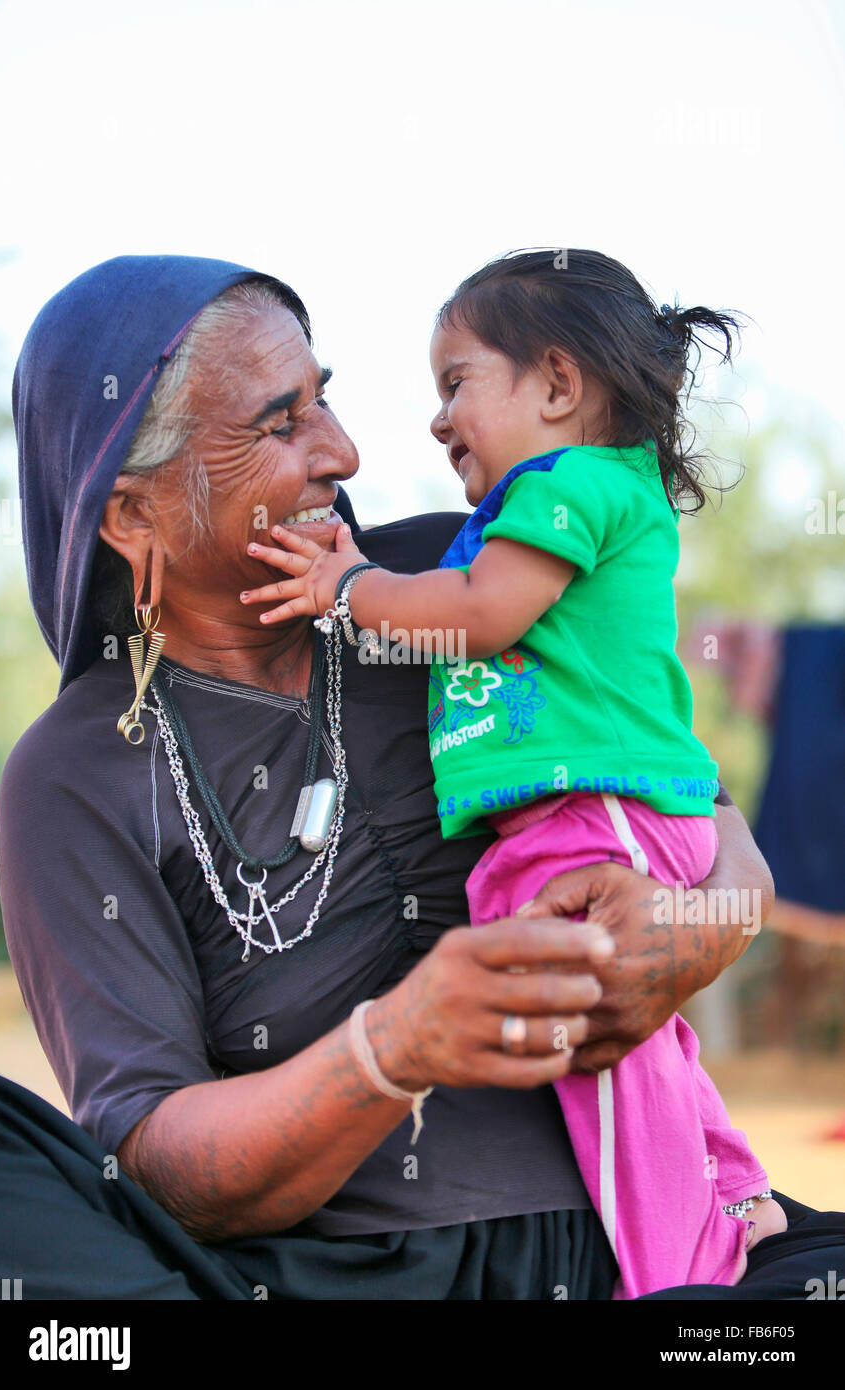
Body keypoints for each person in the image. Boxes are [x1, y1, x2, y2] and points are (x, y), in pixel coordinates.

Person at [0, 253, 834, 1301]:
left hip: (651, 1247)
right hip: (326, 1279)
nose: (342, 450)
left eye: (325, 397)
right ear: (130, 516)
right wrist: (393, 1045)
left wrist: (694, 929)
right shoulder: (70, 776)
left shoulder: (452, 582)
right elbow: (157, 1158)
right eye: (280, 422)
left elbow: (699, 815)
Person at [237, 247, 787, 1296]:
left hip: (596, 813)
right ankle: (734, 1198)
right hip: (565, 819)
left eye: (455, 384)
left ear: (556, 384)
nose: (438, 421)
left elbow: (478, 617)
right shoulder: (536, 506)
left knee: (605, 1055)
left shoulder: (567, 487)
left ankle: (678, 1274)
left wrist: (350, 587)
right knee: (643, 1040)